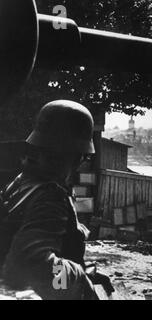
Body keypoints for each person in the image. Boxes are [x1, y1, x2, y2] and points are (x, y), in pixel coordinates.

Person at [0, 100, 110, 300]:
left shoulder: (19, 184)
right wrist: (78, 278)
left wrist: (84, 271)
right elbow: (34, 264)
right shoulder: (50, 196)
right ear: (76, 156)